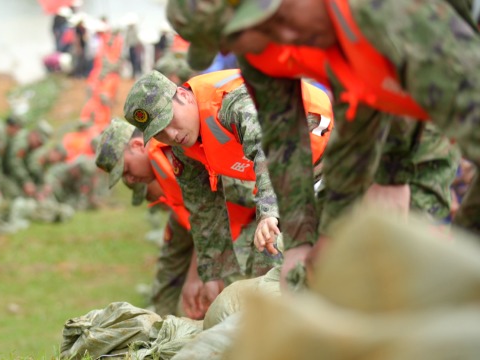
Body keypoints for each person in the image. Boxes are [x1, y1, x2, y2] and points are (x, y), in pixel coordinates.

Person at [166, 0, 469, 285]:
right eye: (224, 44)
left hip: (430, 98)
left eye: (234, 36)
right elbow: (284, 142)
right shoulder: (258, 52)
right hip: (359, 115)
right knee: (331, 257)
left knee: (426, 257)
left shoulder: (382, 12)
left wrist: (392, 174)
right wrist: (299, 241)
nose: (234, 49)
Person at [123, 70, 329, 303]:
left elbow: (269, 149)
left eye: (169, 119)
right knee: (266, 269)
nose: (171, 134)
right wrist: (213, 274)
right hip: (295, 181)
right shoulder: (184, 145)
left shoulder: (230, 102)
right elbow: (202, 204)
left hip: (333, 160)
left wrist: (269, 212)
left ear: (183, 95)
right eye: (160, 132)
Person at [95, 119, 201, 317]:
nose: (132, 180)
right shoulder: (177, 207)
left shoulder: (183, 156)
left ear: (137, 146)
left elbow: (217, 221)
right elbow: (171, 264)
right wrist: (158, 322)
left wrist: (198, 276)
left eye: (127, 171)